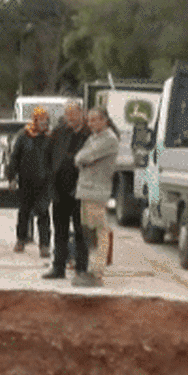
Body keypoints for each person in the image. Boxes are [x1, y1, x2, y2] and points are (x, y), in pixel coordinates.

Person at [72, 108, 119, 287]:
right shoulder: (94, 138)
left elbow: (84, 157)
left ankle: (97, 272)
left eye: (94, 120)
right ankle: (93, 270)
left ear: (104, 120)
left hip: (96, 190)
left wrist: (81, 159)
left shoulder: (108, 139)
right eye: (89, 120)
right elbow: (80, 157)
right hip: (86, 189)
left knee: (100, 231)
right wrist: (81, 158)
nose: (90, 124)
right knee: (90, 232)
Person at [43, 100, 89, 280]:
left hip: (81, 190)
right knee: (60, 231)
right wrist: (50, 177)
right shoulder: (58, 132)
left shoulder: (89, 133)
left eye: (74, 113)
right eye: (67, 113)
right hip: (59, 190)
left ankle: (81, 269)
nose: (70, 117)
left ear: (82, 113)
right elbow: (46, 155)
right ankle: (58, 267)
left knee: (81, 232)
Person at [6, 106, 53, 257]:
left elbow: (55, 160)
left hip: (44, 183)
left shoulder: (50, 137)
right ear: (35, 120)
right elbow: (14, 158)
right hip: (26, 181)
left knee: (43, 213)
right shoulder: (24, 136)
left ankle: (44, 245)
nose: (44, 122)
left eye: (46, 120)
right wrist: (12, 177)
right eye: (41, 119)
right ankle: (21, 240)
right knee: (24, 212)